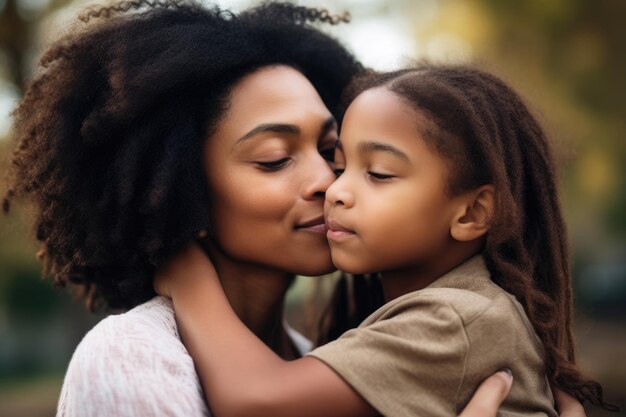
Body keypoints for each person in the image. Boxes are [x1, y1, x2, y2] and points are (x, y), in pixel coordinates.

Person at [0, 1, 535, 416]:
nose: (329, 182)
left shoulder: (317, 359)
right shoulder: (133, 357)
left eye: (331, 153)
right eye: (275, 159)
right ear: (184, 190)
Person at [154, 65, 616, 416]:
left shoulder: (454, 320)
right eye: (341, 165)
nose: (334, 189)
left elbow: (254, 398)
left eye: (377, 173)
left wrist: (191, 277)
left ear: (472, 212)